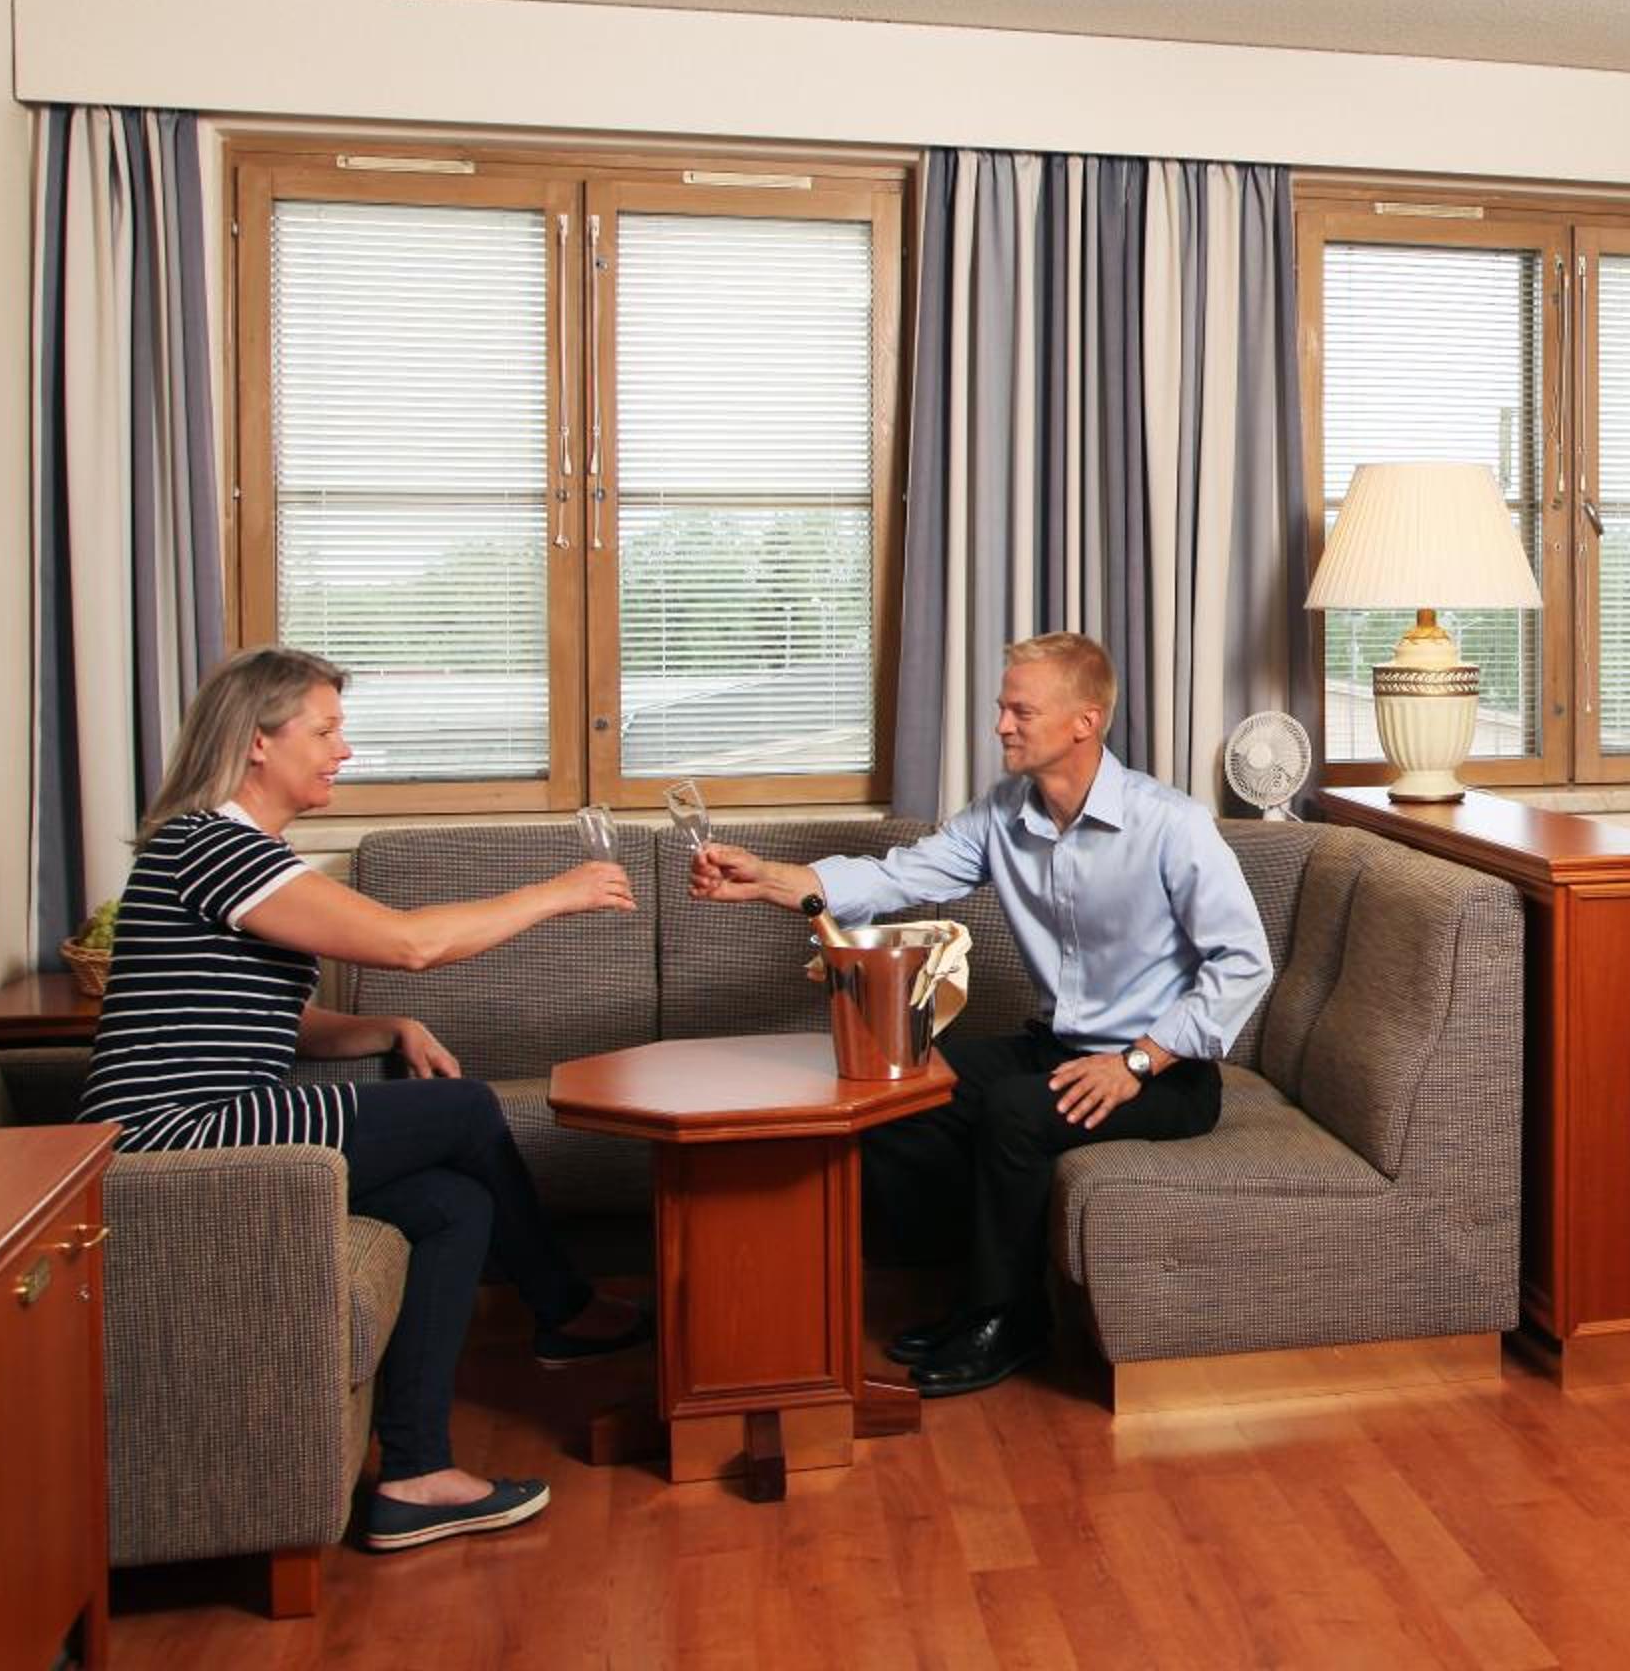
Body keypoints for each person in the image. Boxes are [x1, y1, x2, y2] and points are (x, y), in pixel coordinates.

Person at [76, 646, 650, 1552]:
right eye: (325, 730)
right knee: (464, 1111)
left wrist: (385, 1028)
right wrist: (559, 893)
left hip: (211, 1120)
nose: (343, 750)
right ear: (257, 741)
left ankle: (416, 1476)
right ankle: (564, 1309)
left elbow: (268, 1020)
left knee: (454, 1206)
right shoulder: (211, 846)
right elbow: (410, 944)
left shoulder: (235, 852)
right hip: (171, 1138)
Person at [691, 632, 1271, 1396]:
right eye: (1002, 708)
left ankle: (1010, 1318)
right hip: (1059, 1046)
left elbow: (1244, 963)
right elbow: (897, 878)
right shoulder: (1003, 815)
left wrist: (1137, 1062)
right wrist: (766, 877)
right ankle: (970, 1297)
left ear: (1085, 722)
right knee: (903, 1089)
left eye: (1020, 711)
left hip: (1163, 1071)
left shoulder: (1171, 824)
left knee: (1014, 1113)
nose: (1001, 725)